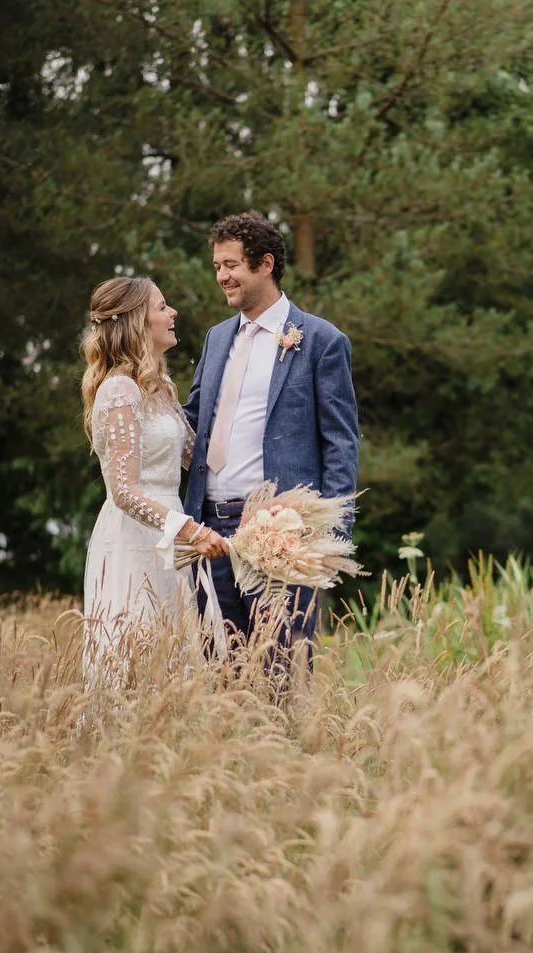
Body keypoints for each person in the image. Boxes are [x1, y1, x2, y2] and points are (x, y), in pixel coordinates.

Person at [182, 212, 360, 680]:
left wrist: (328, 536)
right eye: (217, 266)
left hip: (281, 534)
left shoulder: (321, 341)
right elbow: (193, 422)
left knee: (281, 673)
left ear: (265, 264)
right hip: (210, 533)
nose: (221, 276)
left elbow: (340, 443)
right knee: (222, 676)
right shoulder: (216, 338)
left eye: (231, 265)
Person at [80, 276, 228, 689]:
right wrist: (189, 530)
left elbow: (199, 460)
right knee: (136, 661)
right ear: (136, 322)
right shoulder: (119, 390)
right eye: (162, 307)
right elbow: (124, 492)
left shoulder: (160, 389)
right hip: (135, 539)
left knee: (175, 663)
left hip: (171, 539)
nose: (173, 312)